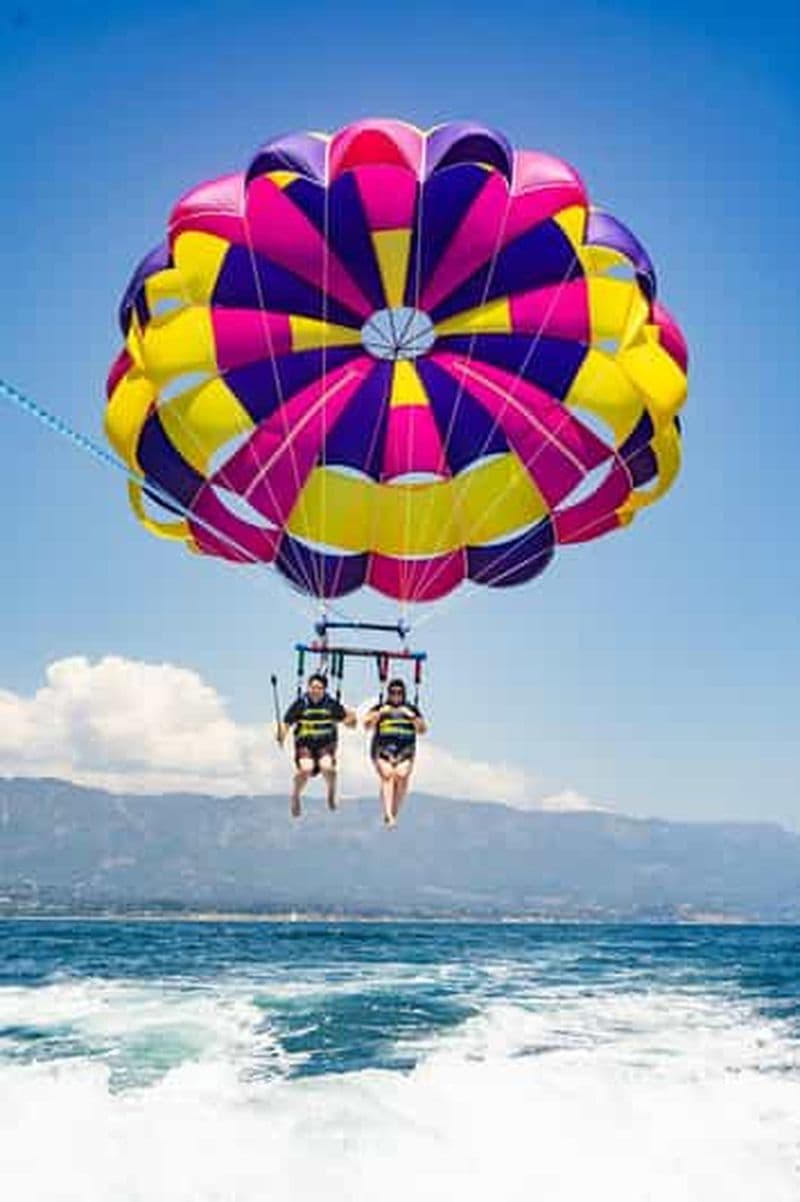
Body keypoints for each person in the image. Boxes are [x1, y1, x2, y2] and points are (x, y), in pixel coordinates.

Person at [279, 673, 356, 818]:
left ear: (324, 690)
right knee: (306, 768)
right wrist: (281, 735)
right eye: (312, 687)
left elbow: (350, 723)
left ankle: (331, 793)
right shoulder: (301, 704)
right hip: (305, 745)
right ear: (308, 688)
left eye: (319, 688)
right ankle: (295, 797)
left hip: (325, 745)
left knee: (328, 767)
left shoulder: (331, 704)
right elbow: (286, 723)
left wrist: (352, 717)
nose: (315, 690)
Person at [363, 678, 427, 827]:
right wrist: (378, 714)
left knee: (401, 775)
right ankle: (388, 814)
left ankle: (393, 812)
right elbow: (367, 725)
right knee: (387, 775)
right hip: (382, 748)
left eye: (399, 692)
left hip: (405, 750)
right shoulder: (380, 708)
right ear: (388, 693)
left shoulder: (411, 709)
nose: (396, 695)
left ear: (404, 694)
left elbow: (422, 730)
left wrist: (411, 717)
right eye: (393, 692)